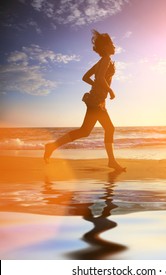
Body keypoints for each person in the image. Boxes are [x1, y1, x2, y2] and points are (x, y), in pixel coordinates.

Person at [44, 30, 125, 171]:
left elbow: (86, 77)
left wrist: (99, 89)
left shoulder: (101, 61)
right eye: (112, 44)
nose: (114, 46)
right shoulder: (105, 60)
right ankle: (111, 161)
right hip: (96, 101)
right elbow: (99, 78)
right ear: (106, 47)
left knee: (85, 131)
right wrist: (109, 90)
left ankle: (52, 146)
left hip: (96, 100)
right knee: (107, 128)